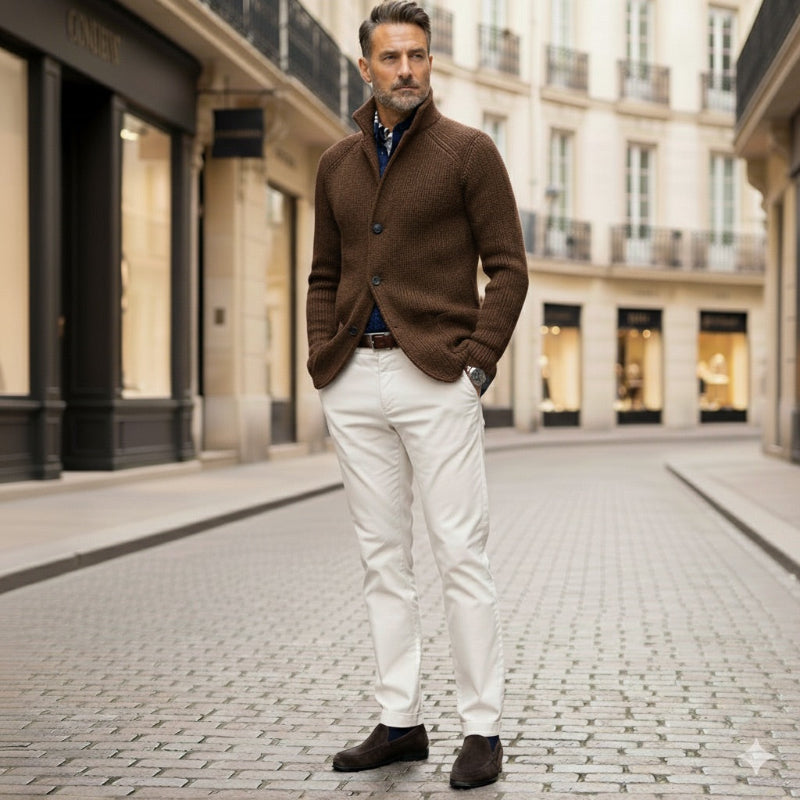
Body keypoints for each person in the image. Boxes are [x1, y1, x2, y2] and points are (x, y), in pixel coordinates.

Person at [305, 0, 528, 789]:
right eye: (392, 57)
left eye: (419, 56)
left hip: (436, 377)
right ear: (365, 66)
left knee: (461, 554)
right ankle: (400, 721)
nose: (407, 70)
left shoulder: (470, 153)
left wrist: (477, 367)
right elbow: (323, 272)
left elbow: (509, 268)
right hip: (352, 380)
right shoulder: (335, 163)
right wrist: (319, 358)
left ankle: (482, 729)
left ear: (431, 63)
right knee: (381, 561)